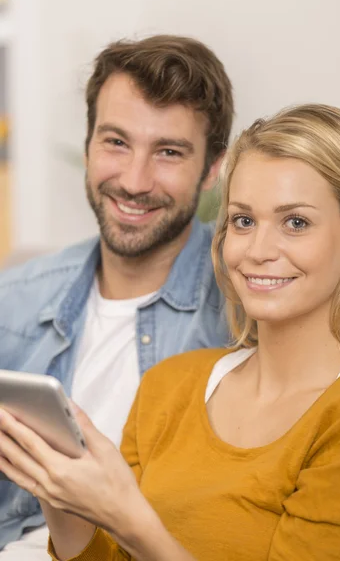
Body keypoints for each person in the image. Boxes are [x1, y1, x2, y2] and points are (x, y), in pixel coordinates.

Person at [1, 103, 340, 560]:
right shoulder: (169, 384)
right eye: (243, 221)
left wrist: (129, 519)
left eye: (296, 223)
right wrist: (59, 490)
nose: (258, 250)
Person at [0, 34, 234, 558]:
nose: (134, 180)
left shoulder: (249, 304)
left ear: (213, 168)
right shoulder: (13, 300)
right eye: (116, 142)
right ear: (88, 144)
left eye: (169, 152)